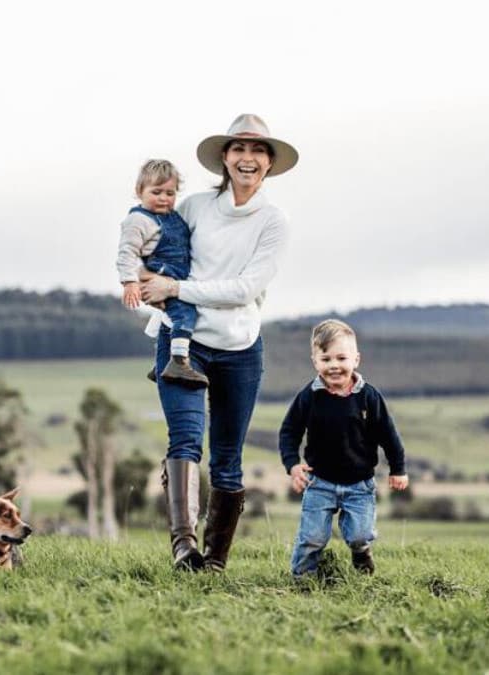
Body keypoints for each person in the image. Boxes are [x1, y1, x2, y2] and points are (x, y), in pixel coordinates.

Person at [140, 113, 298, 571]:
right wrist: (148, 279)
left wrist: (178, 290)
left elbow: (245, 289)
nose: (247, 159)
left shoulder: (273, 222)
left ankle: (215, 559)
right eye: (239, 149)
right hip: (180, 340)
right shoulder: (192, 207)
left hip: (239, 347)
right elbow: (158, 250)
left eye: (257, 152)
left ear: (268, 163)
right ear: (224, 158)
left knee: (227, 457)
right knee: (185, 439)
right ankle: (184, 546)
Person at [279, 319, 410, 578]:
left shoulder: (369, 397)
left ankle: (361, 551)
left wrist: (398, 469)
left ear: (356, 359)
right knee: (312, 537)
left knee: (360, 534)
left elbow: (389, 435)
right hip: (319, 482)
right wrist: (292, 464)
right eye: (326, 359)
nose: (334, 365)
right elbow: (289, 431)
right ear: (315, 361)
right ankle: (303, 579)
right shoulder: (309, 396)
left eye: (342, 358)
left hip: (360, 484)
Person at [115, 159, 209, 388]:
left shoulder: (171, 216)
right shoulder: (138, 220)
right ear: (139, 191)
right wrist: (129, 282)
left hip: (177, 275)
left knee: (172, 317)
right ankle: (178, 362)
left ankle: (160, 365)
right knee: (184, 315)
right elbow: (127, 252)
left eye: (170, 193)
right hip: (163, 275)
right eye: (156, 192)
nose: (164, 198)